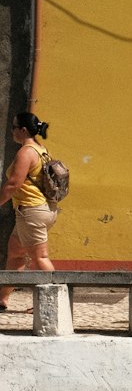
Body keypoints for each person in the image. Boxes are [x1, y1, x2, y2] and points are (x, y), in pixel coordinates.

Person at [0, 112, 59, 309]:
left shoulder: (26, 152)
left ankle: (53, 304)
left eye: (14, 127)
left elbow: (13, 184)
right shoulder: (41, 150)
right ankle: (2, 299)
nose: (12, 131)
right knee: (16, 253)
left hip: (31, 211)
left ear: (23, 130)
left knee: (40, 257)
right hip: (42, 210)